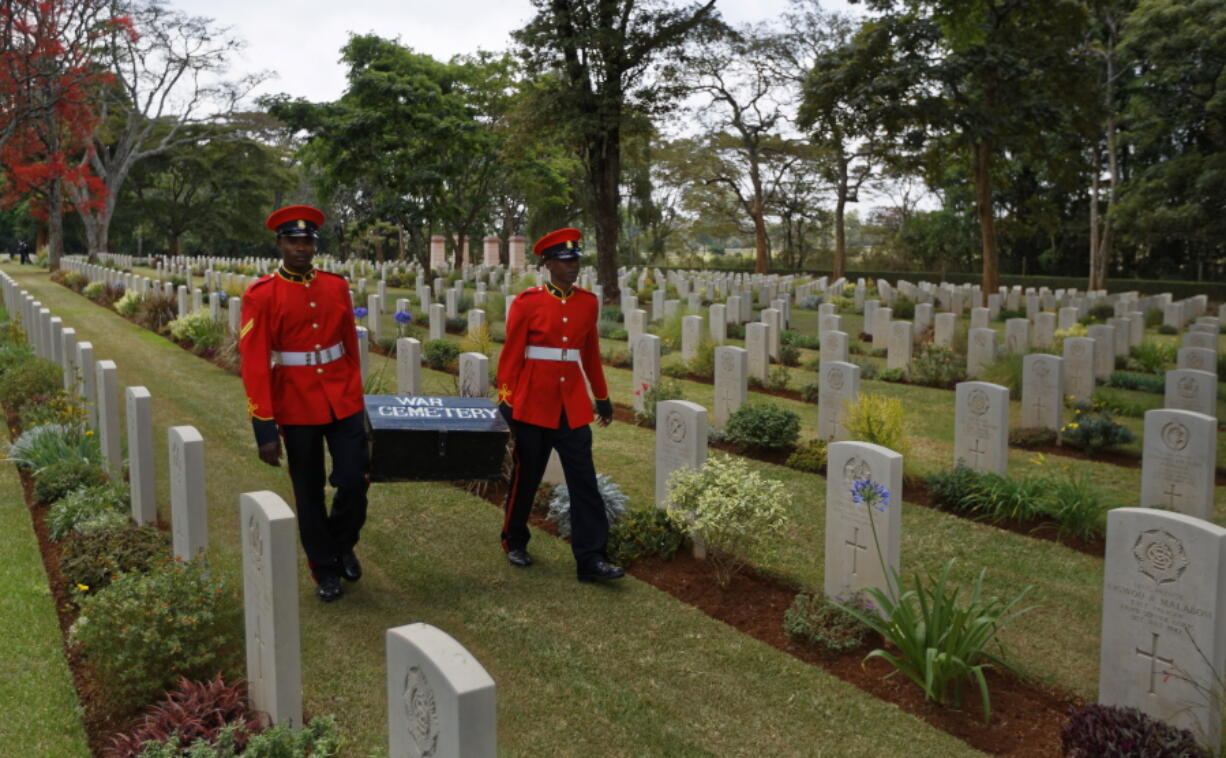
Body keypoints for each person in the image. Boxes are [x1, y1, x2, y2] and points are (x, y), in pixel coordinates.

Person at [239, 205, 370, 602]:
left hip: (342, 396)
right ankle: (324, 566)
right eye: (293, 241)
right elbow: (255, 363)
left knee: (354, 479)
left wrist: (357, 397)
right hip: (296, 401)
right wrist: (264, 426)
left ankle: (343, 541)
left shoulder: (335, 286)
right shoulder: (261, 295)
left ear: (314, 245)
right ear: (280, 244)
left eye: (307, 241)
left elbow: (349, 344)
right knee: (308, 489)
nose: (301, 247)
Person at [495, 227, 625, 583]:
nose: (573, 266)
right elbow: (511, 356)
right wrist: (506, 401)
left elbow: (591, 354)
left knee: (584, 482)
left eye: (576, 260)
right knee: (527, 477)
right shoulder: (528, 303)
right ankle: (514, 540)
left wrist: (601, 397)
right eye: (565, 261)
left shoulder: (588, 302)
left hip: (572, 407)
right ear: (548, 264)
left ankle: (591, 559)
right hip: (533, 404)